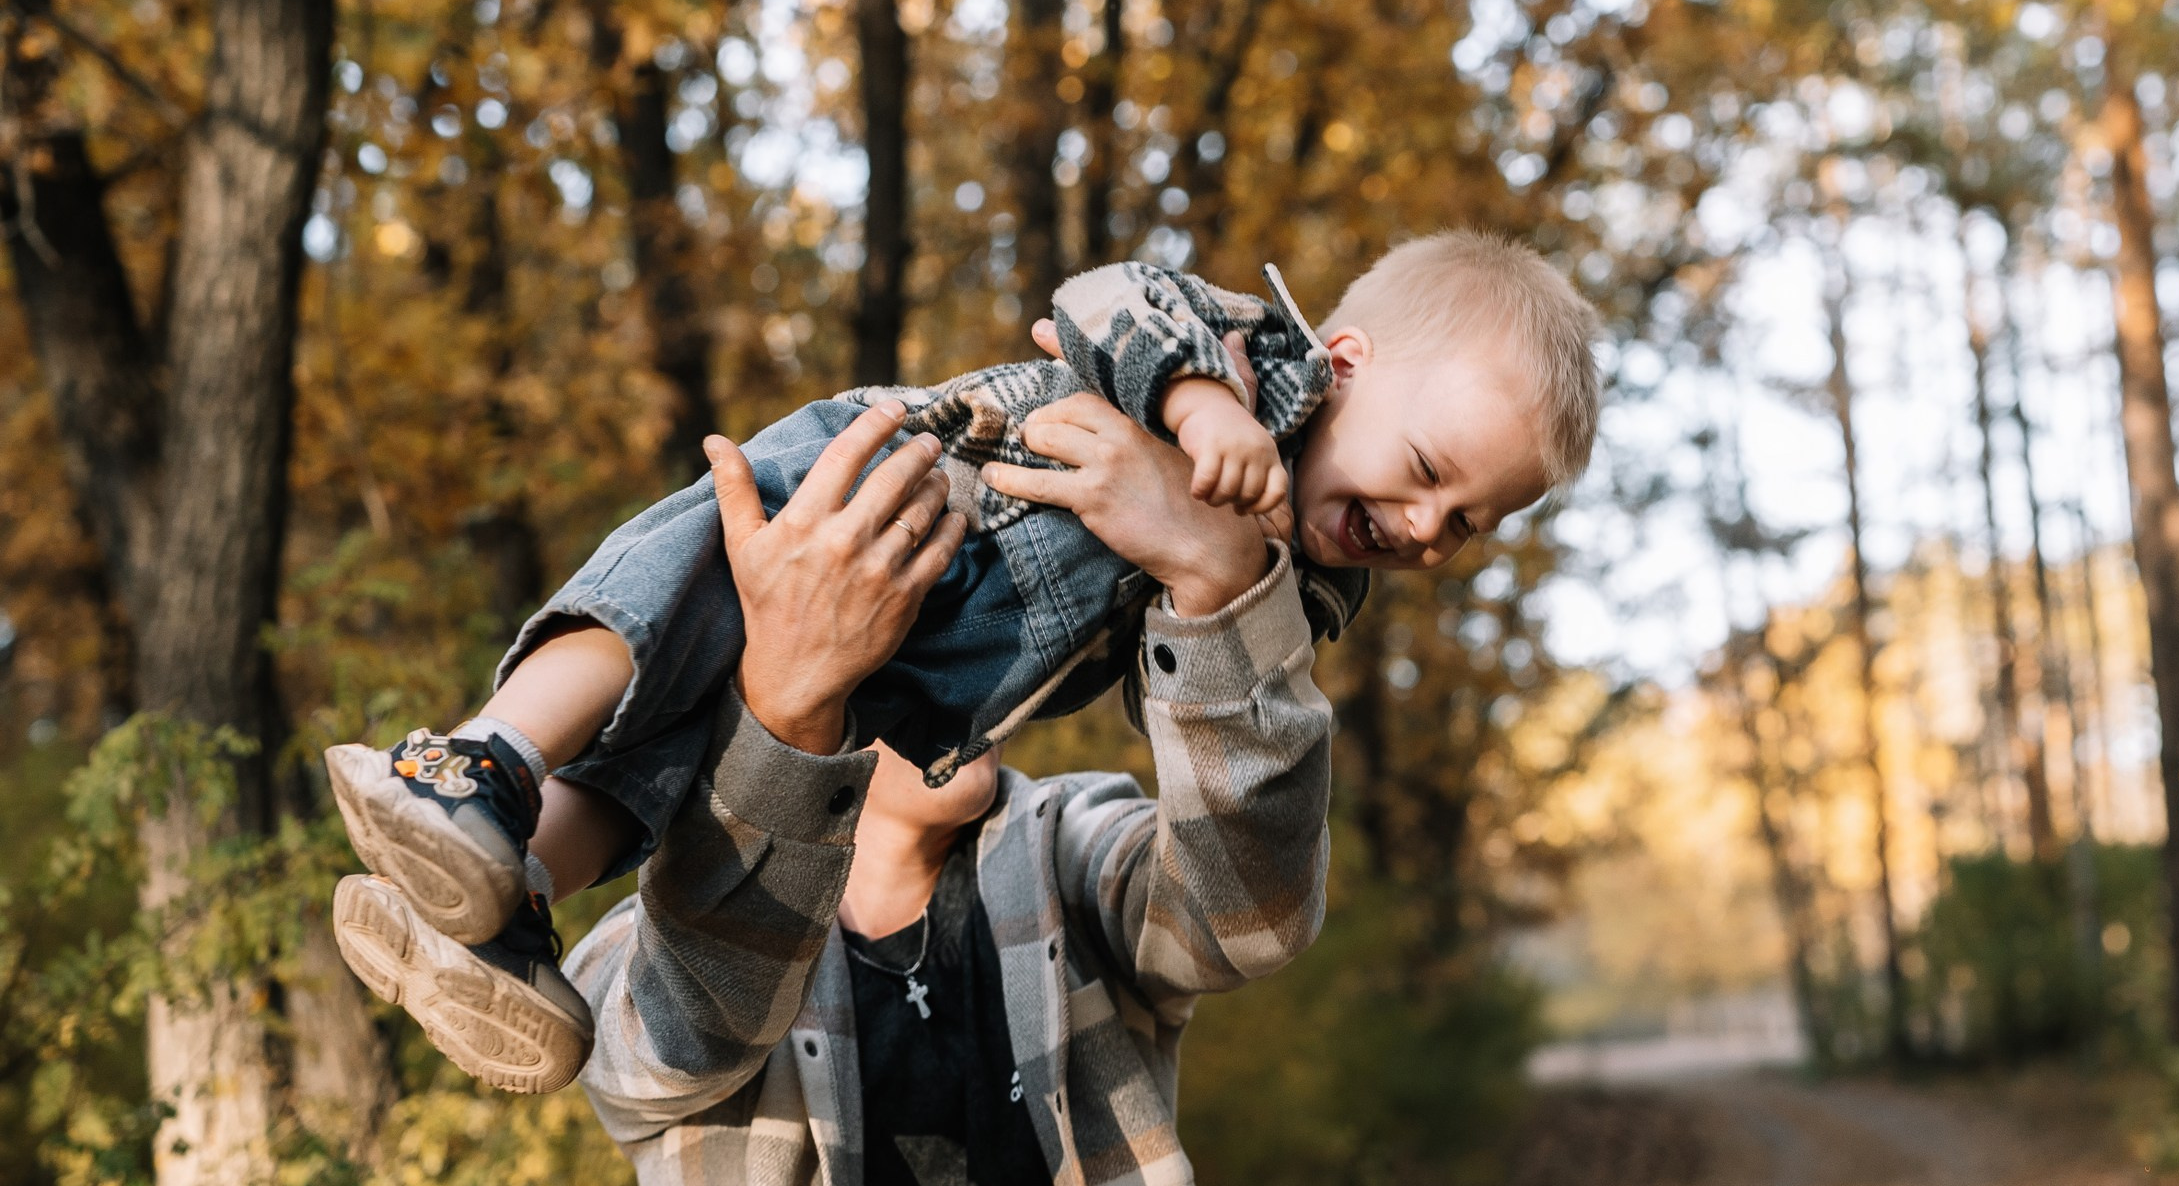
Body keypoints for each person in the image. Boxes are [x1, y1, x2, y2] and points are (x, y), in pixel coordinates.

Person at [354, 390, 1335, 1186]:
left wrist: (1221, 602)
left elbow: (1245, 916)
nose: (949, 678)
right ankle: (486, 857)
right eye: (892, 637)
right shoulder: (636, 948)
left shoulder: (1068, 856)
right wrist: (788, 698)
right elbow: (695, 1023)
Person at [327, 233, 1602, 1091]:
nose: (1429, 528)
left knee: (660, 777)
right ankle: (475, 760)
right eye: (1430, 473)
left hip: (921, 682)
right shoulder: (1249, 358)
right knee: (695, 582)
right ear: (1341, 363)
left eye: (1471, 522)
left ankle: (500, 906)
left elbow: (1245, 856)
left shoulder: (1304, 586)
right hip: (907, 487)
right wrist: (1199, 410)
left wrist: (1216, 569)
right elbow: (1102, 298)